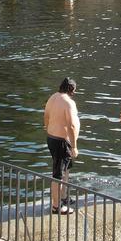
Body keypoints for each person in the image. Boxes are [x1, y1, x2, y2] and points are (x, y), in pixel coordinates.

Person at [44, 77, 80, 215]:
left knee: (65, 169)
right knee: (58, 174)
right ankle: (56, 206)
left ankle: (64, 197)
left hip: (52, 138)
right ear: (71, 89)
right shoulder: (68, 102)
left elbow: (46, 115)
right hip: (61, 142)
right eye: (74, 90)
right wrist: (74, 147)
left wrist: (49, 129)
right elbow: (71, 125)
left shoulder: (53, 97)